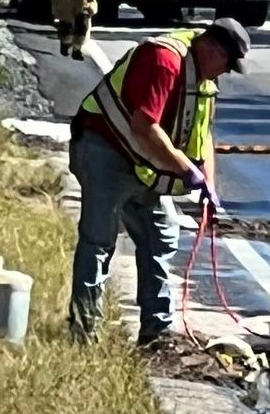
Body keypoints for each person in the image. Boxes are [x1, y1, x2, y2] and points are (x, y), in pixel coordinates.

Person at [66, 18, 251, 345]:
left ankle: (157, 331)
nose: (225, 73)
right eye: (226, 63)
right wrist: (183, 169)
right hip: (103, 150)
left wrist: (208, 183)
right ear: (211, 48)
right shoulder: (164, 62)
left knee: (161, 235)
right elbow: (144, 127)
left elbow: (202, 133)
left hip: (141, 163)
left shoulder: (204, 78)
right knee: (99, 241)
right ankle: (84, 331)